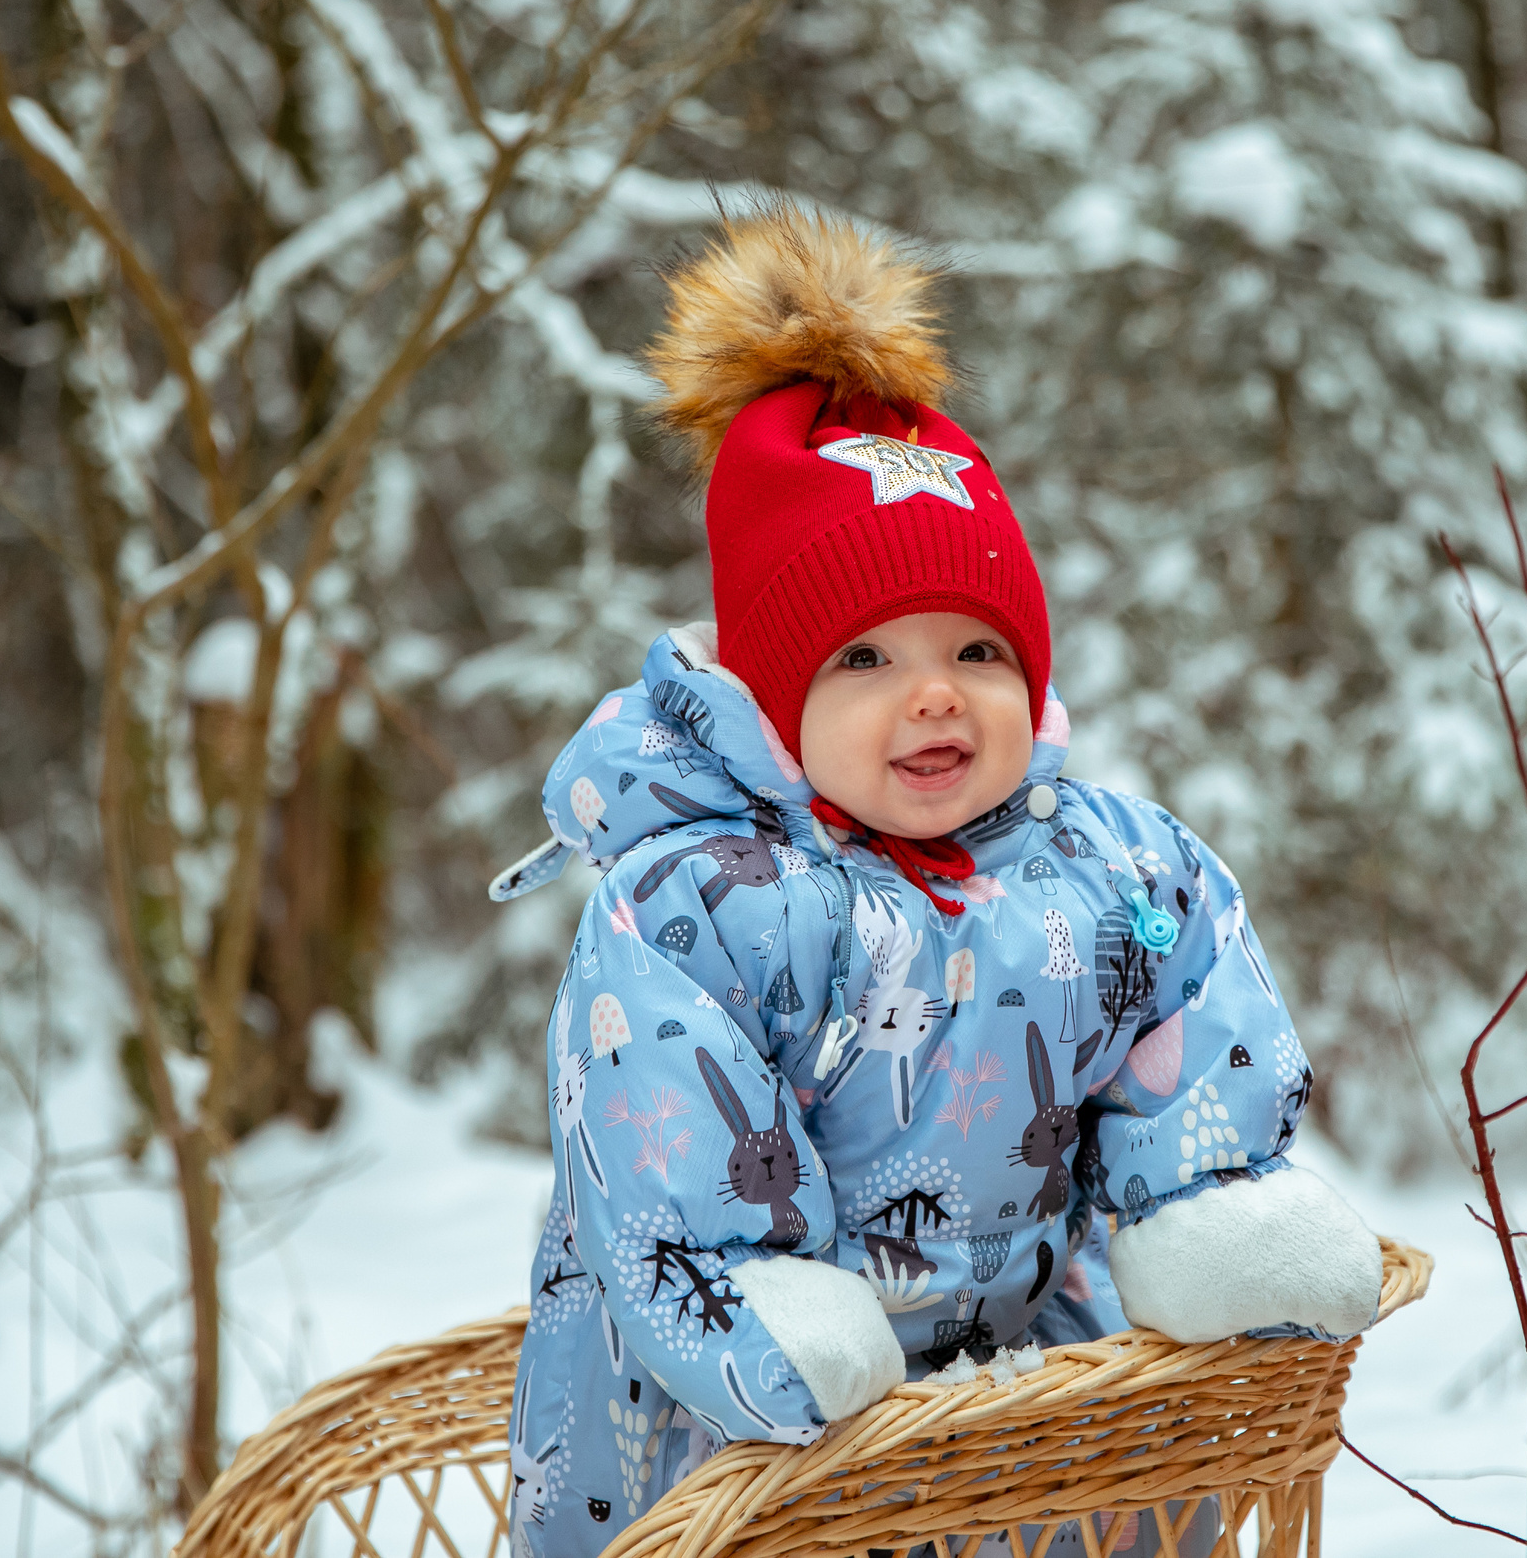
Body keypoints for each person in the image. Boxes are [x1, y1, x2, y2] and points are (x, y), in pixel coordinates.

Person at [493, 205, 1382, 1558]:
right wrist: (751, 1305)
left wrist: (1202, 1202)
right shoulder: (704, 901)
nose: (934, 698)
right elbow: (660, 1133)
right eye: (862, 660)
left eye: (978, 651)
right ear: (769, 701)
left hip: (1022, 1426)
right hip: (737, 1441)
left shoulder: (1111, 865)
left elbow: (1191, 1011)